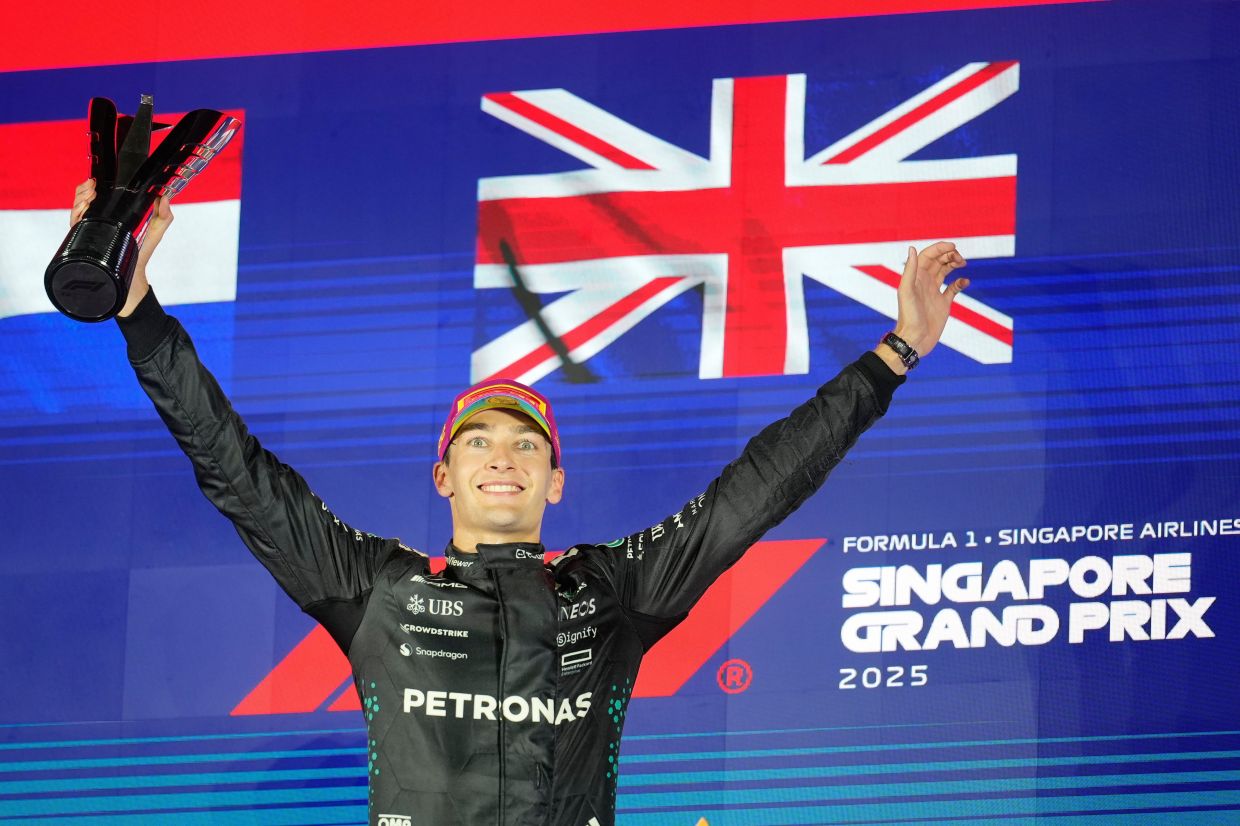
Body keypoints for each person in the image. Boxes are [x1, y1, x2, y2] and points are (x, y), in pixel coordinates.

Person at [71, 179, 968, 826]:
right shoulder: (376, 587)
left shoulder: (612, 587)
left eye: (526, 446)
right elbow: (236, 469)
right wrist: (138, 309)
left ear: (554, 481)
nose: (503, 459)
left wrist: (896, 354)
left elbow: (759, 487)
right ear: (445, 477)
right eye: (479, 444)